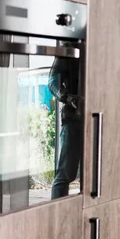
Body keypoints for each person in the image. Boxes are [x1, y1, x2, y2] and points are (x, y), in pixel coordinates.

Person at [49, 41, 84, 199]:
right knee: (65, 174)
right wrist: (68, 98)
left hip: (97, 114)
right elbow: (52, 82)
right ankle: (55, 218)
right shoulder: (69, 46)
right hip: (74, 118)